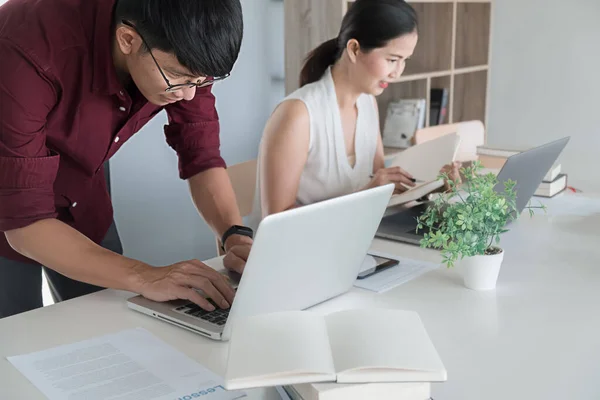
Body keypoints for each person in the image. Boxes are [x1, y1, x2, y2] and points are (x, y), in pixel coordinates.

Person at [0, 0, 255, 319]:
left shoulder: (183, 50)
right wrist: (145, 275)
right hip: (7, 184)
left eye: (200, 82)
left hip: (82, 186)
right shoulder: (26, 49)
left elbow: (201, 153)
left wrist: (235, 235)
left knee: (105, 319)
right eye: (180, 78)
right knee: (13, 330)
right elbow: (25, 225)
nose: (190, 95)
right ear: (127, 40)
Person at [249, 0, 460, 230]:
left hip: (349, 240)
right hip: (293, 254)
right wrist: (367, 192)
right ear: (354, 49)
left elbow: (385, 188)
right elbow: (277, 222)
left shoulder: (367, 103)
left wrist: (431, 187)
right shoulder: (297, 115)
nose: (397, 73)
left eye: (404, 61)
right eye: (392, 60)